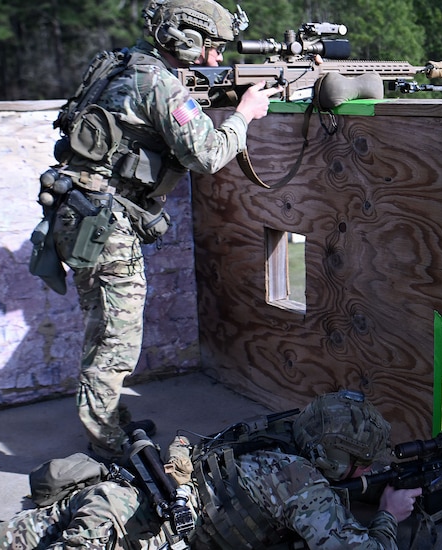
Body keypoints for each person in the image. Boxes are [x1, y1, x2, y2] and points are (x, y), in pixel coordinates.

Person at [41, 0, 282, 463]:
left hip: (82, 209)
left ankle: (106, 422)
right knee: (116, 337)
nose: (216, 60)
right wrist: (246, 113)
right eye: (212, 49)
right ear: (185, 41)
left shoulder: (124, 65)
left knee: (103, 327)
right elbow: (208, 155)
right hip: (105, 221)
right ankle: (106, 441)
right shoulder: (160, 84)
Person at [0, 391, 442, 550]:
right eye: (356, 463)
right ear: (335, 456)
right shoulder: (302, 485)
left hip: (118, 494)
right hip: (134, 531)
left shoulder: (279, 431)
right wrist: (386, 522)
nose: (361, 471)